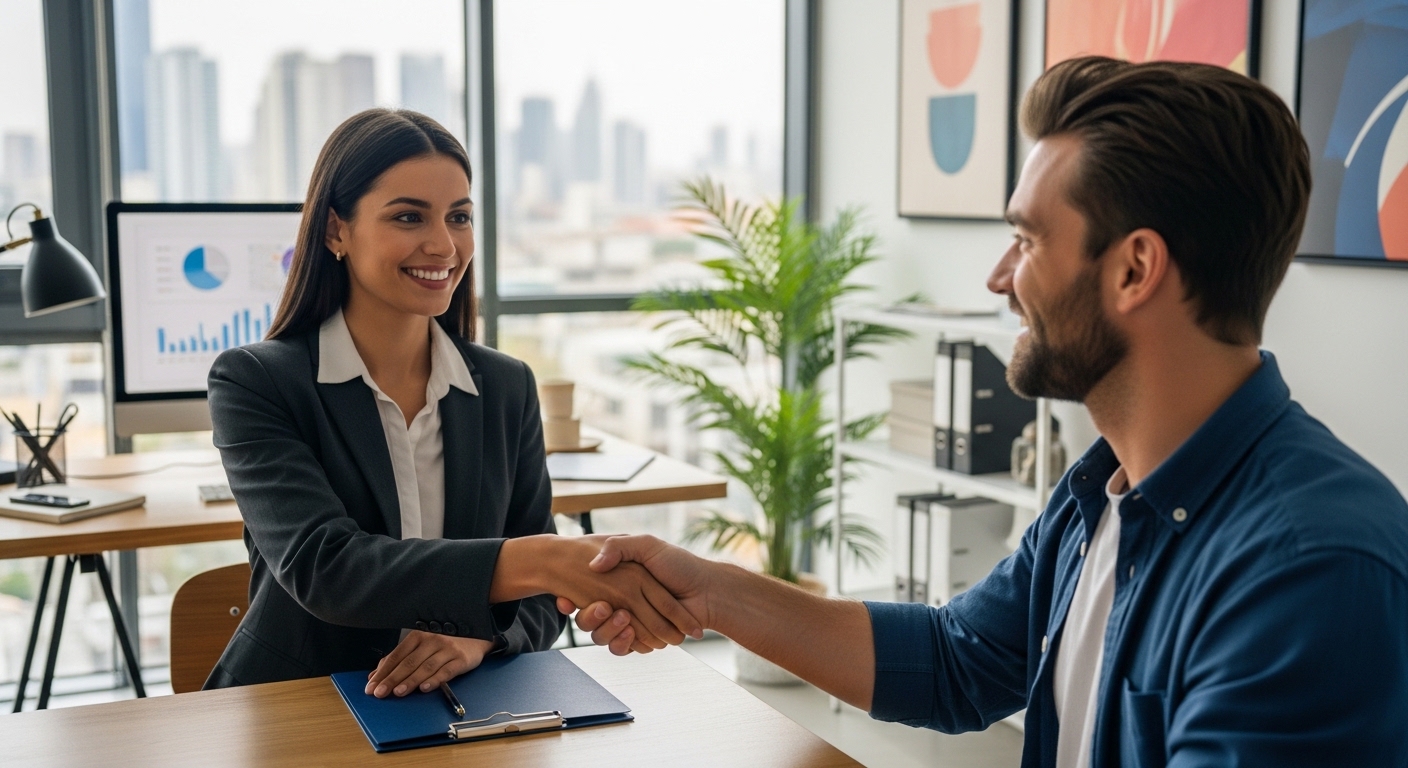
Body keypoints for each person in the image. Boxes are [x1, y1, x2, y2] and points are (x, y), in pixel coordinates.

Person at [561, 57, 1408, 764]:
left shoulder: (1311, 570)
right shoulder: (1103, 494)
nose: (1001, 278)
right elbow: (957, 660)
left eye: (1029, 240)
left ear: (1134, 270)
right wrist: (710, 592)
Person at [206, 109, 700, 698]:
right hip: (301, 705)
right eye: (409, 216)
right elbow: (327, 568)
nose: (443, 245)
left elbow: (541, 604)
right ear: (336, 231)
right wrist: (541, 559)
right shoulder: (256, 381)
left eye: (459, 217)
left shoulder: (506, 386)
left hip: (464, 710)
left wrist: (482, 636)